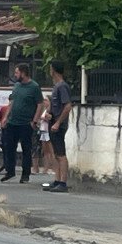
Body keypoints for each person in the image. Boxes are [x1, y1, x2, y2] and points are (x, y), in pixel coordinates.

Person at [0, 63, 45, 183]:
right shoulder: (17, 86)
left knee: (26, 149)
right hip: (13, 122)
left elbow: (40, 104)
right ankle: (10, 171)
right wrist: (5, 117)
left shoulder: (34, 87)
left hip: (26, 123)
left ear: (23, 73)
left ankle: (25, 175)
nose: (15, 75)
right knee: (9, 147)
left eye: (17, 73)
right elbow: (12, 102)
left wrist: (35, 120)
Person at [44, 61, 74, 193]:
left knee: (61, 154)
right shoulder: (56, 86)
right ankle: (57, 179)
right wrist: (49, 114)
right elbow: (55, 105)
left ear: (54, 70)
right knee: (55, 153)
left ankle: (63, 181)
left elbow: (67, 106)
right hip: (53, 122)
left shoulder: (62, 86)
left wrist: (57, 122)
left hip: (59, 125)